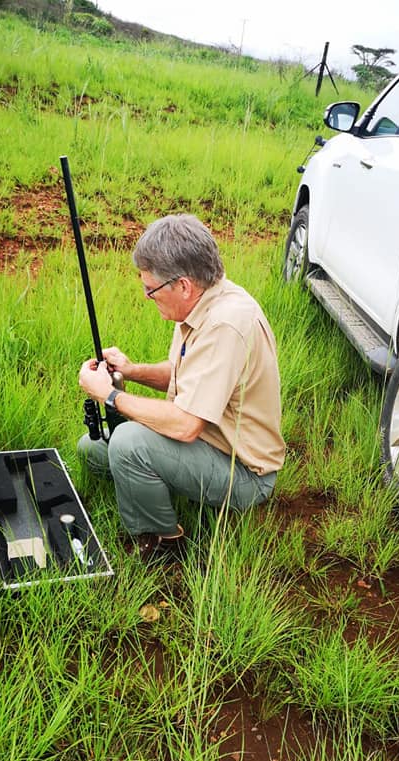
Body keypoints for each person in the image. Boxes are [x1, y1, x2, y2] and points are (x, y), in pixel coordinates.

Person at [77, 213, 285, 562]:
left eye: (151, 289)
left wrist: (109, 395)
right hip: (207, 444)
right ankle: (157, 486)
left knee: (127, 444)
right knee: (92, 449)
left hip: (244, 473)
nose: (147, 296)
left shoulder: (225, 325)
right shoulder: (202, 302)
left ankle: (163, 544)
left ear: (184, 285)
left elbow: (186, 425)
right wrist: (131, 370)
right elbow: (182, 373)